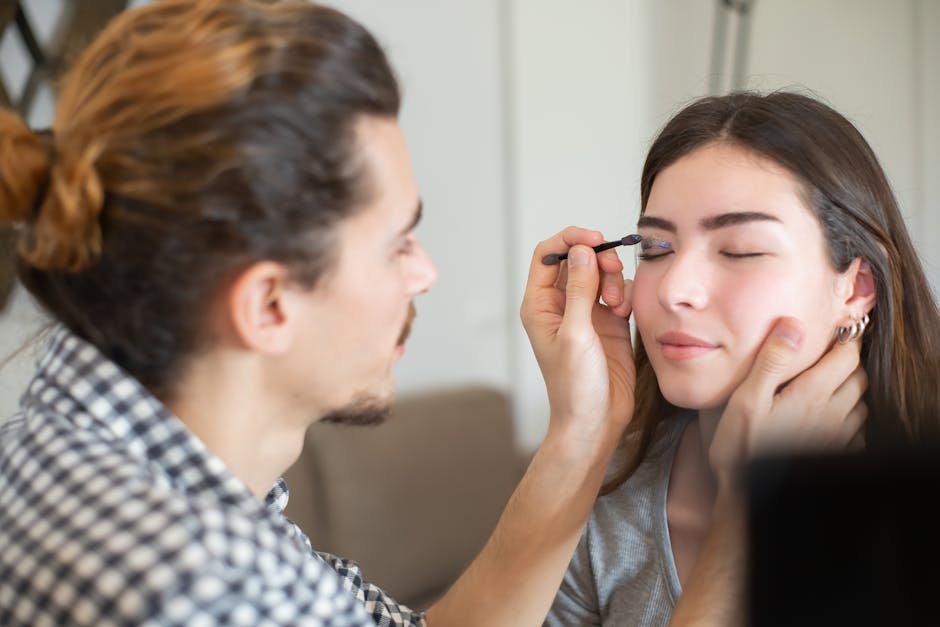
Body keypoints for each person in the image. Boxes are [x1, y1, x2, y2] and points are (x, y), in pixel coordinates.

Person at [0, 1, 866, 624]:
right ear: (267, 304)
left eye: (743, 248)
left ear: (856, 286)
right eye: (397, 244)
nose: (428, 273)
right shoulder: (189, 582)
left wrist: (584, 428)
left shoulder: (111, 446)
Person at [545, 89, 940, 626]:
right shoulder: (607, 492)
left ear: (856, 287)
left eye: (740, 251)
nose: (674, 290)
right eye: (657, 249)